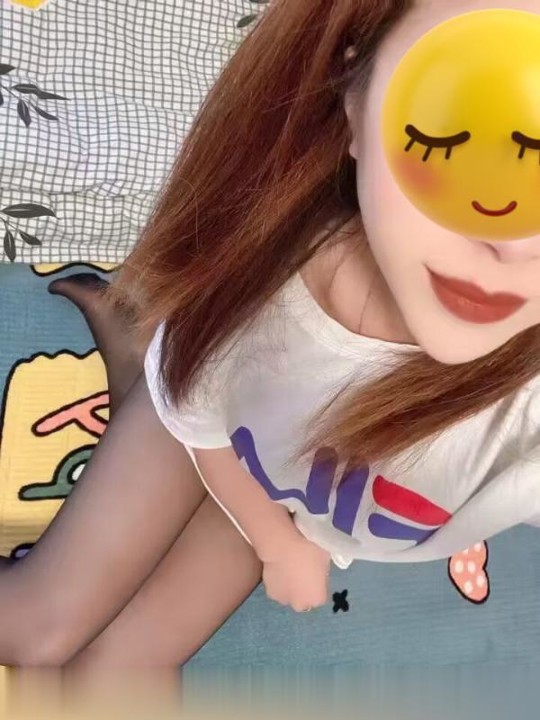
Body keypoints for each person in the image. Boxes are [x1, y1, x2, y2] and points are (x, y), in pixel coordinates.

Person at [1, 0, 540, 689]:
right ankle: (145, 359)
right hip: (214, 424)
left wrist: (283, 537)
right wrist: (275, 544)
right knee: (35, 631)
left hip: (280, 486)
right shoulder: (277, 279)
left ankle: (138, 358)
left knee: (118, 677)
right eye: (449, 135)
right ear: (357, 102)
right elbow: (200, 414)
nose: (510, 241)